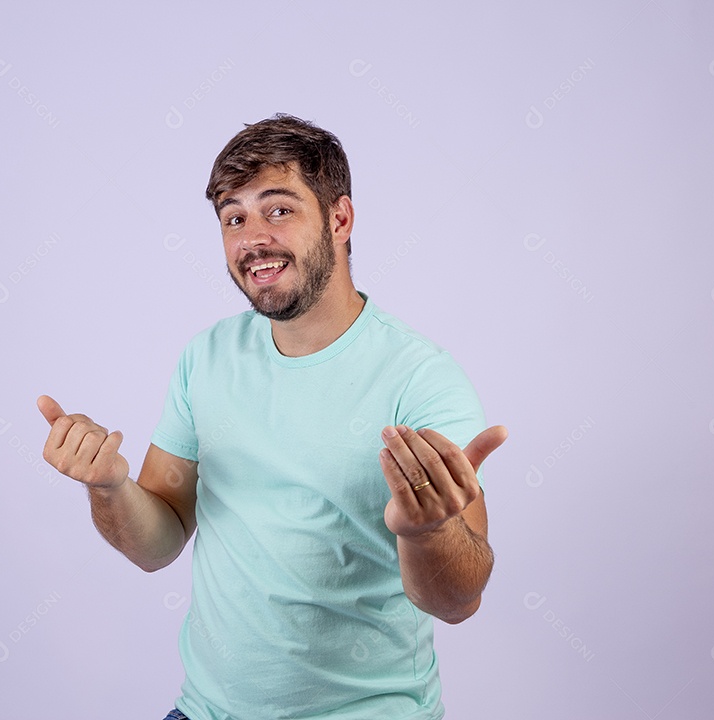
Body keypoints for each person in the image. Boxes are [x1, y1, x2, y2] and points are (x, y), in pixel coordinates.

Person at [38, 114, 507, 720]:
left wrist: (425, 531)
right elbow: (158, 542)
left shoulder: (421, 379)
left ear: (340, 219)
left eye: (278, 209)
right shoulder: (205, 358)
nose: (252, 238)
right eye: (234, 218)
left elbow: (458, 600)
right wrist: (107, 488)